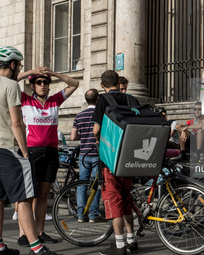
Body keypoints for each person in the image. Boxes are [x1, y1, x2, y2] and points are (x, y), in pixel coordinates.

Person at [0, 46, 58, 255]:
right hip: (8, 148)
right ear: (13, 65)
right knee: (24, 198)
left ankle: (0, 245)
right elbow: (17, 123)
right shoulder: (10, 86)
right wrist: (24, 151)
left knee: (0, 199)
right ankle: (37, 247)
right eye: (19, 66)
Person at [16, 67, 79, 246]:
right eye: (38, 82)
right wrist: (32, 71)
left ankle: (40, 231)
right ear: (32, 86)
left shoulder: (54, 101)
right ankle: (23, 234)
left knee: (44, 194)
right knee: (28, 194)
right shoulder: (26, 100)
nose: (43, 85)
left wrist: (55, 74)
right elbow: (9, 82)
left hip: (51, 151)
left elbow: (74, 83)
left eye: (45, 82)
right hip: (32, 150)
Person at [92, 70, 139, 255]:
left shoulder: (102, 101)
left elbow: (96, 129)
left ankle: (119, 246)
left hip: (110, 160)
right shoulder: (131, 99)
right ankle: (131, 240)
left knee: (114, 201)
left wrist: (99, 140)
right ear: (119, 82)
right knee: (126, 199)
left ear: (102, 85)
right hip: (129, 158)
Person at [71, 88, 102, 223]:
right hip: (97, 153)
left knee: (82, 184)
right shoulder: (100, 114)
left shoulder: (79, 115)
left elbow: (73, 137)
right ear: (98, 99)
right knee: (96, 184)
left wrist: (82, 136)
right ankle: (93, 214)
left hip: (83, 153)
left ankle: (80, 214)